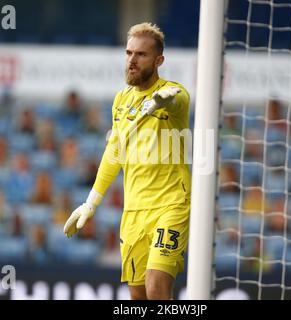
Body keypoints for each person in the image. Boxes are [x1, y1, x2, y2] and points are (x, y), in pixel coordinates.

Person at [63, 22, 191, 300]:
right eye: (128, 53)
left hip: (170, 206)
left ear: (159, 61)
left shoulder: (173, 93)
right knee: (138, 297)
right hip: (133, 212)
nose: (132, 60)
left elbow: (179, 100)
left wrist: (165, 100)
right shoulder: (121, 100)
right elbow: (113, 154)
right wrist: (90, 203)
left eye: (141, 55)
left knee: (157, 286)